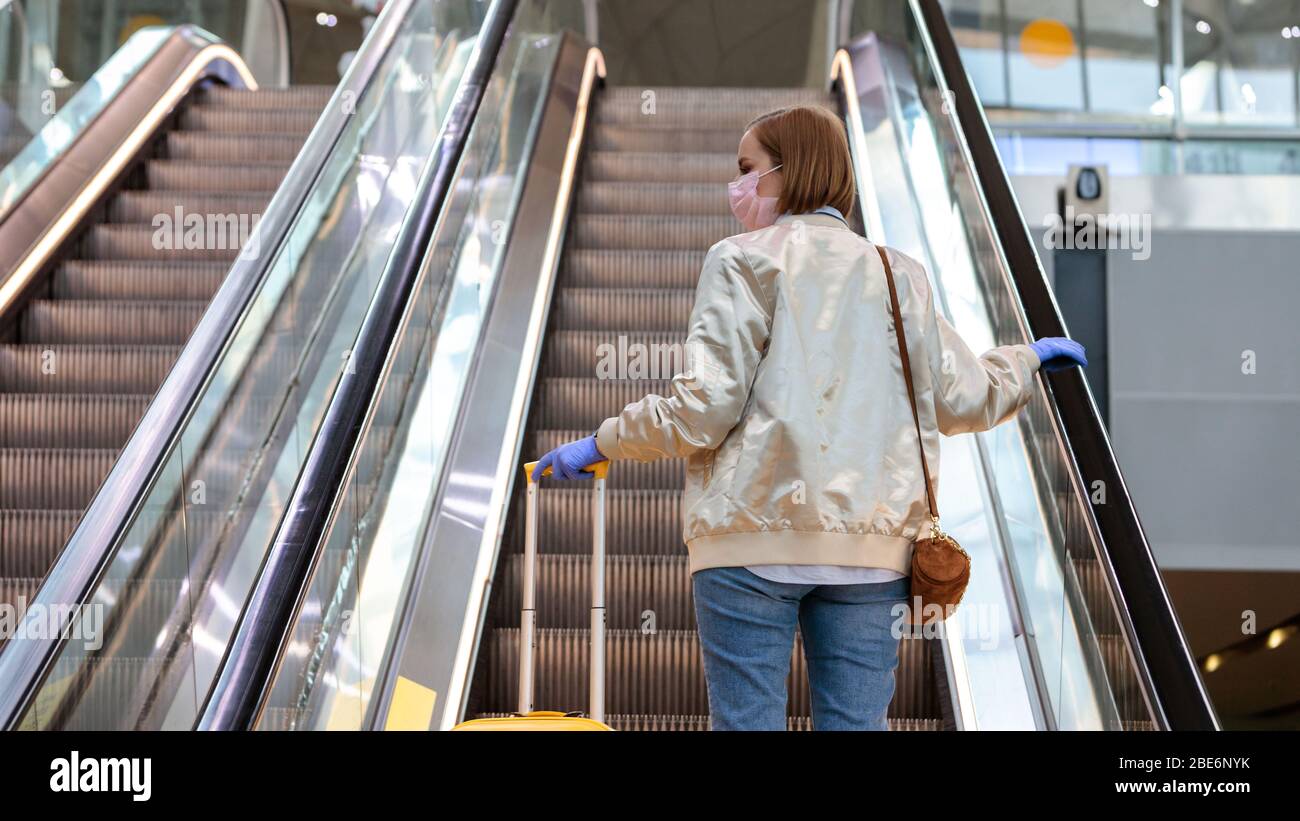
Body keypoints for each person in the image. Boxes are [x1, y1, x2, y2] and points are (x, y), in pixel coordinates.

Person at [531, 104, 1086, 731]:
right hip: (871, 548)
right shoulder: (896, 271)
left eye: (749, 168)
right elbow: (962, 397)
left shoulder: (742, 258)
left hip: (749, 536)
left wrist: (602, 441)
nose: (738, 185)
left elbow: (705, 408)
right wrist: (1027, 359)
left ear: (787, 172)